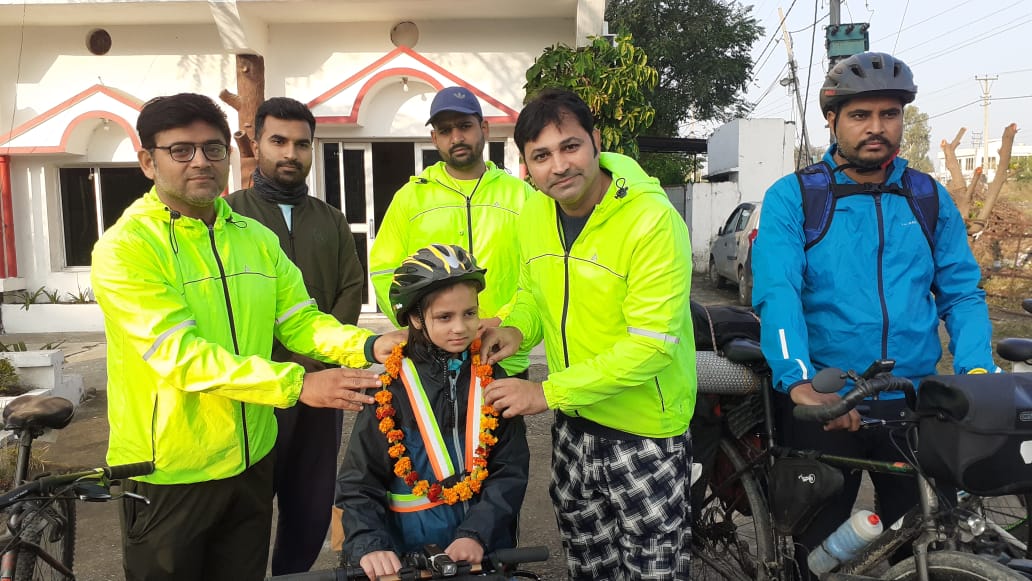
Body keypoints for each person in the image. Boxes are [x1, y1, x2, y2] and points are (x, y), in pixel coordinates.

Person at [90, 92, 402, 581]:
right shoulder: (127, 248)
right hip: (170, 471)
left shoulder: (254, 237)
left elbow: (300, 319)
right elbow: (181, 356)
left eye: (213, 148)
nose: (200, 161)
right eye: (181, 150)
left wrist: (368, 345)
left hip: (251, 460)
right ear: (148, 162)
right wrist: (298, 384)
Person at [751, 52, 998, 579]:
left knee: (924, 546)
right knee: (815, 558)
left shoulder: (926, 196)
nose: (877, 128)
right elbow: (778, 292)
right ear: (832, 120)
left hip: (910, 403)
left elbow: (962, 293)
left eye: (890, 114)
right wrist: (800, 383)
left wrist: (976, 371)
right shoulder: (796, 197)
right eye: (860, 115)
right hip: (827, 402)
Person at [480, 88, 696, 580]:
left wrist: (545, 392)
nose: (559, 166)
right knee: (587, 568)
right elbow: (533, 292)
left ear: (596, 140)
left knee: (652, 572)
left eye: (570, 146)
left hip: (644, 436)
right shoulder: (534, 214)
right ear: (526, 167)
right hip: (574, 431)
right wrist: (515, 329)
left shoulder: (651, 220)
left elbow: (651, 346)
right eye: (541, 156)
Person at [225, 97, 364, 575]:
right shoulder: (228, 217)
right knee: (247, 505)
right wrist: (284, 364)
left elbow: (351, 289)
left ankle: (294, 574)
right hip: (255, 390)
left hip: (323, 388)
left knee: (311, 502)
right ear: (256, 143)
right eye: (278, 141)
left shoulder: (331, 219)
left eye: (301, 144)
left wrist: (315, 362)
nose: (290, 153)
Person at [336, 244, 530, 580]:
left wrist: (477, 534)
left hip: (482, 554)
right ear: (415, 318)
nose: (460, 327)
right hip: (409, 560)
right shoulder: (389, 391)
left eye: (470, 313)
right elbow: (359, 481)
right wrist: (370, 545)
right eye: (444, 317)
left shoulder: (492, 378)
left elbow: (510, 468)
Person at [369, 85, 534, 378]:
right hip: (431, 359)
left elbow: (538, 274)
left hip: (503, 356)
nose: (456, 137)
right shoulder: (411, 198)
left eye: (465, 126)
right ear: (434, 138)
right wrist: (422, 325)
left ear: (484, 128)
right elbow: (385, 272)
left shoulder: (521, 196)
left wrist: (505, 321)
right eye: (445, 130)